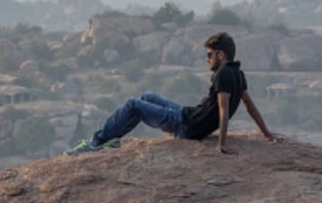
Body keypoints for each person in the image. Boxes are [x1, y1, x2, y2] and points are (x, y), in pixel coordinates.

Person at [66, 31, 283, 155]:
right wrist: (267, 134)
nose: (207, 59)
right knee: (148, 96)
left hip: (187, 126)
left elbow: (223, 110)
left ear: (220, 55)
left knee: (133, 104)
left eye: (209, 55)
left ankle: (97, 143)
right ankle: (112, 138)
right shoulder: (237, 73)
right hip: (189, 116)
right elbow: (250, 106)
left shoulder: (223, 74)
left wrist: (222, 144)